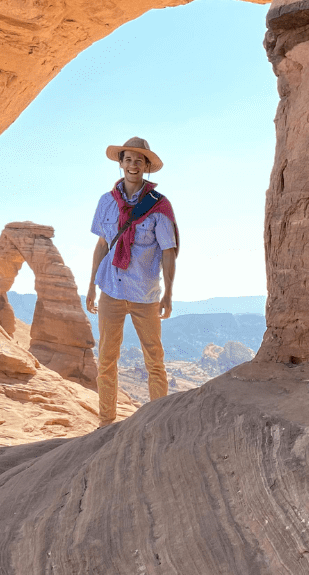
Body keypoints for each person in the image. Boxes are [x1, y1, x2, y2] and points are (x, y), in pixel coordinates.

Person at [86, 137, 178, 426]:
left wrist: (169, 293)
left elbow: (168, 251)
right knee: (106, 361)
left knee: (154, 360)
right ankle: (105, 423)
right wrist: (90, 285)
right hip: (111, 288)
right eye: (128, 159)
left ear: (146, 166)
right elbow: (102, 245)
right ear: (120, 163)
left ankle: (158, 422)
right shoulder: (106, 202)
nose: (133, 165)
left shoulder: (160, 207)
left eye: (139, 160)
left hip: (145, 292)